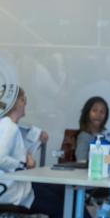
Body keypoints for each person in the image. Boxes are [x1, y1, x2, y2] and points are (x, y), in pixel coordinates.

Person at [0, 85, 67, 218]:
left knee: (61, 190)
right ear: (15, 103)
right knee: (60, 205)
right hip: (13, 192)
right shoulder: (10, 128)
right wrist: (24, 164)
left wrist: (37, 134)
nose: (25, 103)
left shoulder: (6, 124)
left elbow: (24, 130)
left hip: (15, 186)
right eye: (23, 99)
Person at [74, 96, 110, 162]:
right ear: (87, 113)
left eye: (102, 112)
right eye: (94, 110)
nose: (98, 115)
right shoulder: (84, 136)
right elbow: (81, 160)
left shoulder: (107, 134)